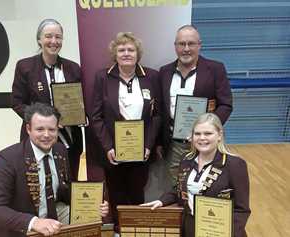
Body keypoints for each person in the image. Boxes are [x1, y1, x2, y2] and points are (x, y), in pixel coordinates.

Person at [0, 103, 108, 237]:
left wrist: (92, 204)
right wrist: (34, 222)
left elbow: (65, 190)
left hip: (53, 211)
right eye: (40, 129)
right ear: (28, 129)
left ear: (57, 129)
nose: (46, 135)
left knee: (90, 220)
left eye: (52, 129)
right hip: (19, 224)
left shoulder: (60, 150)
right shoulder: (7, 159)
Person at [91, 32, 161, 231]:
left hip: (141, 151)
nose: (126, 53)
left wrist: (148, 145)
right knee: (116, 195)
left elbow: (157, 116)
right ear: (115, 54)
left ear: (138, 54)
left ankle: (135, 231)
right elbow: (96, 116)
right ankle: (119, 231)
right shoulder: (102, 77)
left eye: (131, 49)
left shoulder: (151, 76)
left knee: (137, 193)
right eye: (121, 50)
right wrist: (108, 147)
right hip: (113, 152)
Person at [141, 113, 251, 237]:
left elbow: (242, 209)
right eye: (197, 134)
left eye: (208, 133)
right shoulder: (186, 160)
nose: (202, 138)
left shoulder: (235, 165)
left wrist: (228, 233)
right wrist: (162, 201)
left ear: (219, 135)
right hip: (190, 227)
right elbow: (179, 188)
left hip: (221, 230)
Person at [158, 25, 233, 186]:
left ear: (199, 45)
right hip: (174, 144)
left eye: (191, 44)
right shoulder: (164, 72)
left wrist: (208, 129)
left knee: (205, 185)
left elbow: (226, 104)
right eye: (181, 44)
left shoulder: (215, 69)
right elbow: (160, 110)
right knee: (176, 186)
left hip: (204, 142)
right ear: (175, 46)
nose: (186, 49)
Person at [11, 19, 82, 180]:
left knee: (69, 181)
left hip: (70, 138)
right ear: (39, 39)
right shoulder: (25, 67)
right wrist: (44, 121)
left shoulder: (73, 68)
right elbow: (17, 103)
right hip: (38, 137)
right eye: (48, 36)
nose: (54, 41)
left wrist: (81, 115)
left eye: (58, 37)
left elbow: (80, 101)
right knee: (39, 183)